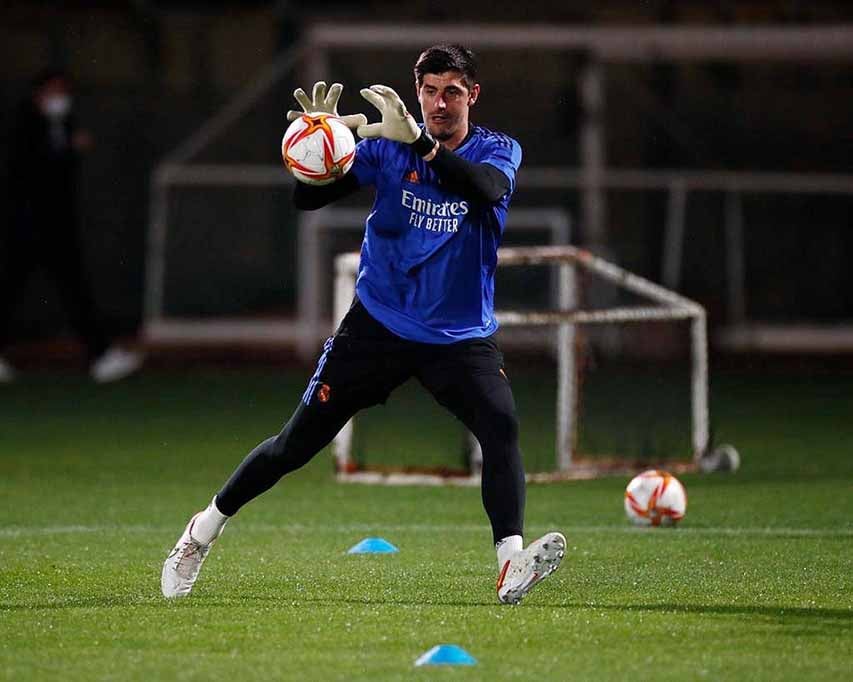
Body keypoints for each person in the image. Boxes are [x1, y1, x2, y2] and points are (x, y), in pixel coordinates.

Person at [161, 45, 565, 604]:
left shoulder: (496, 150)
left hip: (458, 336)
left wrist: (419, 144)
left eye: (452, 91)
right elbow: (308, 198)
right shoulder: (388, 149)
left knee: (501, 429)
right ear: (416, 91)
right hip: (377, 326)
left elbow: (486, 190)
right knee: (294, 446)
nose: (439, 103)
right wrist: (321, 142)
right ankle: (200, 532)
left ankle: (510, 563)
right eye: (429, 91)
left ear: (473, 95)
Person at [0, 69, 142, 384]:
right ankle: (101, 355)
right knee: (13, 289)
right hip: (26, 226)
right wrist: (66, 150)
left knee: (74, 291)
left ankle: (101, 356)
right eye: (55, 91)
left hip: (56, 227)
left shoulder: (63, 124)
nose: (61, 98)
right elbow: (28, 172)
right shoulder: (23, 124)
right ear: (40, 93)